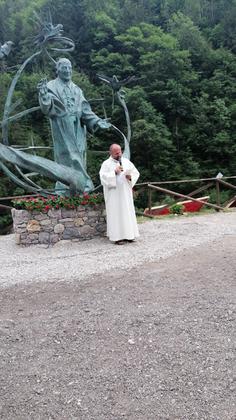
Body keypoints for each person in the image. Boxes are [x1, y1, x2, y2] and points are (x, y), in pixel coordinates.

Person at [38, 57, 110, 194]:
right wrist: (43, 95)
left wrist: (97, 121)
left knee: (80, 155)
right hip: (62, 128)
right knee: (65, 156)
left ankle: (81, 187)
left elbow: (85, 111)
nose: (67, 71)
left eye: (69, 68)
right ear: (58, 70)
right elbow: (47, 108)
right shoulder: (51, 86)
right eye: (64, 68)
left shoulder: (77, 89)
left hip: (78, 128)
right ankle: (64, 189)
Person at [100, 143, 140, 244]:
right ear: (110, 153)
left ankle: (129, 235)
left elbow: (136, 173)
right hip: (114, 195)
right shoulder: (106, 164)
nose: (119, 155)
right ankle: (117, 238)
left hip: (125, 194)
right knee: (116, 214)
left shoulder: (126, 161)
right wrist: (114, 172)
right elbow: (102, 178)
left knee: (127, 212)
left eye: (120, 152)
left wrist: (130, 177)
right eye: (116, 153)